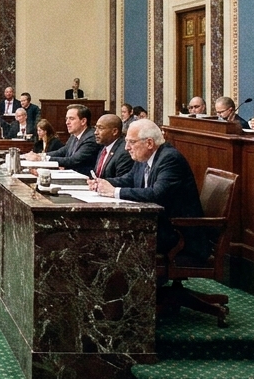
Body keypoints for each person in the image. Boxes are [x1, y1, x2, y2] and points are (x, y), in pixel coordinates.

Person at [90, 119, 209, 263]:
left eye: (132, 142)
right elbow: (129, 179)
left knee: (112, 239)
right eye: (126, 141)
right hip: (157, 224)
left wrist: (115, 191)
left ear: (150, 143)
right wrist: (103, 184)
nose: (126, 147)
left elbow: (156, 194)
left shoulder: (170, 159)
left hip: (176, 232)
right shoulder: (145, 157)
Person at [41, 105, 99, 175]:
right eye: (66, 119)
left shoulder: (91, 137)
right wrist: (41, 155)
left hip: (85, 179)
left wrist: (44, 158)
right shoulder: (74, 135)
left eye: (71, 118)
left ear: (83, 121)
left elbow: (73, 160)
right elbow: (63, 151)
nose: (67, 122)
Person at [89, 113, 134, 180]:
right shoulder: (104, 147)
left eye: (101, 128)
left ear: (114, 131)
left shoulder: (124, 151)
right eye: (96, 128)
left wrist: (100, 183)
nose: (96, 132)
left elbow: (122, 181)